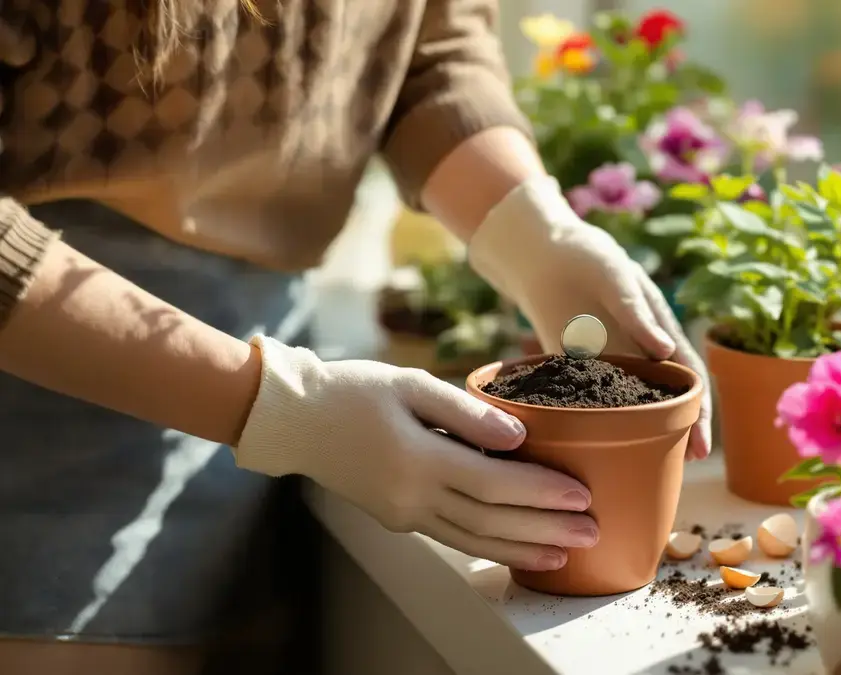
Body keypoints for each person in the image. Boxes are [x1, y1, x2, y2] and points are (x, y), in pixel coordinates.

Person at [0, 1, 712, 673]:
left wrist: (533, 233)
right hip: (54, 377)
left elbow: (427, 49)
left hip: (269, 359)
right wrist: (284, 411)